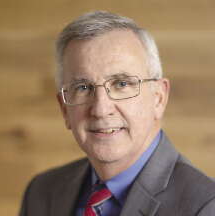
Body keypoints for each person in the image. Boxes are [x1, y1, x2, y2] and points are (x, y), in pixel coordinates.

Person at [19, 11, 215, 216]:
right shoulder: (41, 193)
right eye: (83, 87)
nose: (101, 109)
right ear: (64, 109)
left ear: (158, 98)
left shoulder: (205, 207)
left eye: (121, 84)